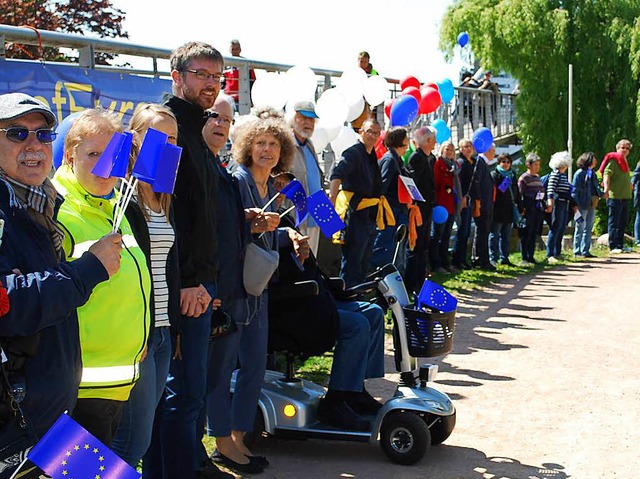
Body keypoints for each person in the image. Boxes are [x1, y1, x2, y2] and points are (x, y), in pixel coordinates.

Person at [0, 93, 120, 477]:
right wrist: (88, 270)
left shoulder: (41, 204)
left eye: (43, 134)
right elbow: (9, 304)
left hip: (51, 412)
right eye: (17, 134)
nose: (33, 145)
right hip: (16, 423)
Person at [53, 108, 151, 446]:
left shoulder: (115, 208)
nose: (102, 165)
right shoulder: (57, 211)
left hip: (116, 381)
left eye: (111, 155)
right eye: (93, 154)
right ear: (70, 156)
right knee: (80, 470)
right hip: (77, 386)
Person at [156, 41, 229, 479]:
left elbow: (197, 215)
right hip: (181, 288)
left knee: (188, 399)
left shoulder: (197, 134)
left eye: (217, 77)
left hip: (200, 285)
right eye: (201, 74)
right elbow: (157, 212)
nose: (210, 83)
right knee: (182, 400)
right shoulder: (165, 130)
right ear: (177, 76)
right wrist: (187, 282)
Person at [203, 100, 281, 475]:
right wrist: (253, 226)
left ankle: (237, 437)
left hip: (258, 288)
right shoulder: (238, 180)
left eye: (274, 144)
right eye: (261, 143)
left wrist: (285, 232)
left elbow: (262, 233)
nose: (267, 150)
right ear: (247, 144)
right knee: (222, 369)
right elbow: (228, 233)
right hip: (234, 288)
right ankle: (221, 441)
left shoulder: (269, 186)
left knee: (254, 367)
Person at [111, 104, 180, 467]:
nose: (167, 145)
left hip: (162, 329)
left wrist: (174, 325)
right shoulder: (119, 195)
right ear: (133, 138)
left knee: (138, 436)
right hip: (134, 331)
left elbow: (168, 266)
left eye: (173, 138)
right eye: (157, 136)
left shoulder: (164, 194)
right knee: (129, 441)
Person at [330, 119, 391, 288]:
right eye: (369, 131)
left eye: (376, 133)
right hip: (356, 216)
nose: (373, 136)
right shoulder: (353, 152)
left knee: (364, 263)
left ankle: (359, 296)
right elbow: (337, 174)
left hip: (370, 216)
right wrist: (332, 201)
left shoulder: (371, 155)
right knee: (352, 263)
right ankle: (348, 299)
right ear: (360, 131)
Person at [371, 127, 411, 270]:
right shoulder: (389, 160)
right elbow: (382, 187)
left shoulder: (398, 160)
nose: (408, 141)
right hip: (390, 213)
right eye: (406, 138)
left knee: (398, 252)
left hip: (399, 211)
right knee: (386, 251)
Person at [288, 100, 323, 255]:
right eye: (303, 118)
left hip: (315, 212)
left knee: (313, 259)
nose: (308, 123)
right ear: (294, 118)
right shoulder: (286, 144)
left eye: (311, 119)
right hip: (295, 214)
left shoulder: (309, 145)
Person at [404, 126, 436, 293]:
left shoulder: (429, 158)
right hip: (419, 208)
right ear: (428, 140)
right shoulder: (417, 157)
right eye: (433, 139)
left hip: (427, 207)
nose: (435, 142)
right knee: (415, 246)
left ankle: (420, 280)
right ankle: (412, 283)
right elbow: (414, 183)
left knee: (423, 245)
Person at [430, 141, 460, 273]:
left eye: (452, 150)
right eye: (447, 149)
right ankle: (436, 264)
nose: (449, 152)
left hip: (451, 204)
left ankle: (445, 262)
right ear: (442, 150)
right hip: (441, 205)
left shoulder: (454, 166)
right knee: (437, 235)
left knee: (446, 235)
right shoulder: (439, 164)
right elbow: (436, 184)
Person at [600, 140, 633, 253]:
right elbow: (606, 174)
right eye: (622, 147)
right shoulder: (614, 160)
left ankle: (620, 244)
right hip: (615, 197)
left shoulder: (624, 161)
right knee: (614, 222)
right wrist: (606, 190)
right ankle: (613, 245)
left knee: (622, 222)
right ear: (617, 148)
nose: (625, 150)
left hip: (624, 197)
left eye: (627, 148)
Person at [489, 153, 522, 266]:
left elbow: (516, 192)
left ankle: (505, 258)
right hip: (498, 210)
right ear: (499, 163)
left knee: (506, 236)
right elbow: (496, 192)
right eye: (503, 162)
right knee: (495, 235)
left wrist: (520, 206)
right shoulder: (495, 174)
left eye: (508, 162)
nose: (506, 164)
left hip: (509, 209)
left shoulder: (512, 175)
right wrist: (505, 183)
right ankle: (493, 258)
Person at [572, 152, 603, 257]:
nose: (595, 161)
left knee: (588, 228)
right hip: (581, 204)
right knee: (580, 227)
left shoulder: (592, 173)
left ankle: (585, 251)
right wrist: (575, 204)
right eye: (593, 159)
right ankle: (577, 251)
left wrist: (602, 194)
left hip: (591, 204)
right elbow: (574, 190)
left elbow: (595, 188)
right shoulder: (579, 173)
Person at [518, 153, 546, 265]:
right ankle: (525, 257)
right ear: (528, 165)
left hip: (538, 207)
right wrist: (522, 208)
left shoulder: (538, 177)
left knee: (534, 232)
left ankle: (531, 256)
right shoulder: (524, 178)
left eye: (539, 164)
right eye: (535, 164)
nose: (537, 166)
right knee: (526, 233)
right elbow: (520, 194)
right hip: (528, 207)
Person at [471, 143, 496, 270]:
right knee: (482, 231)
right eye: (493, 151)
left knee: (484, 231)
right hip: (482, 204)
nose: (494, 154)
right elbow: (476, 182)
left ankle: (481, 258)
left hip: (487, 203)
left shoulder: (484, 164)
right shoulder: (480, 162)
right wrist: (478, 202)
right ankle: (481, 259)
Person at [545, 151, 573, 262]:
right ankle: (550, 254)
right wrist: (550, 203)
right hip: (557, 203)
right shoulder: (555, 174)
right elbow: (550, 189)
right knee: (555, 227)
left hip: (564, 203)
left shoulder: (563, 175)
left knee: (561, 228)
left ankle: (557, 252)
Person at [451, 138, 475, 270]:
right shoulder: (460, 163)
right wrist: (463, 197)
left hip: (471, 199)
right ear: (460, 149)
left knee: (467, 231)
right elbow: (459, 182)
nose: (468, 148)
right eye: (465, 146)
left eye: (470, 146)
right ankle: (457, 259)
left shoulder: (473, 162)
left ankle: (463, 258)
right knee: (461, 230)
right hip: (462, 199)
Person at [223, 39, 256, 107]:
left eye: (237, 49)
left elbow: (252, 81)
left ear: (240, 49)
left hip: (243, 98)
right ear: (230, 50)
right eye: (233, 49)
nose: (235, 51)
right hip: (228, 98)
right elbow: (222, 81)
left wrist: (251, 99)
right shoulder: (225, 64)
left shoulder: (247, 64)